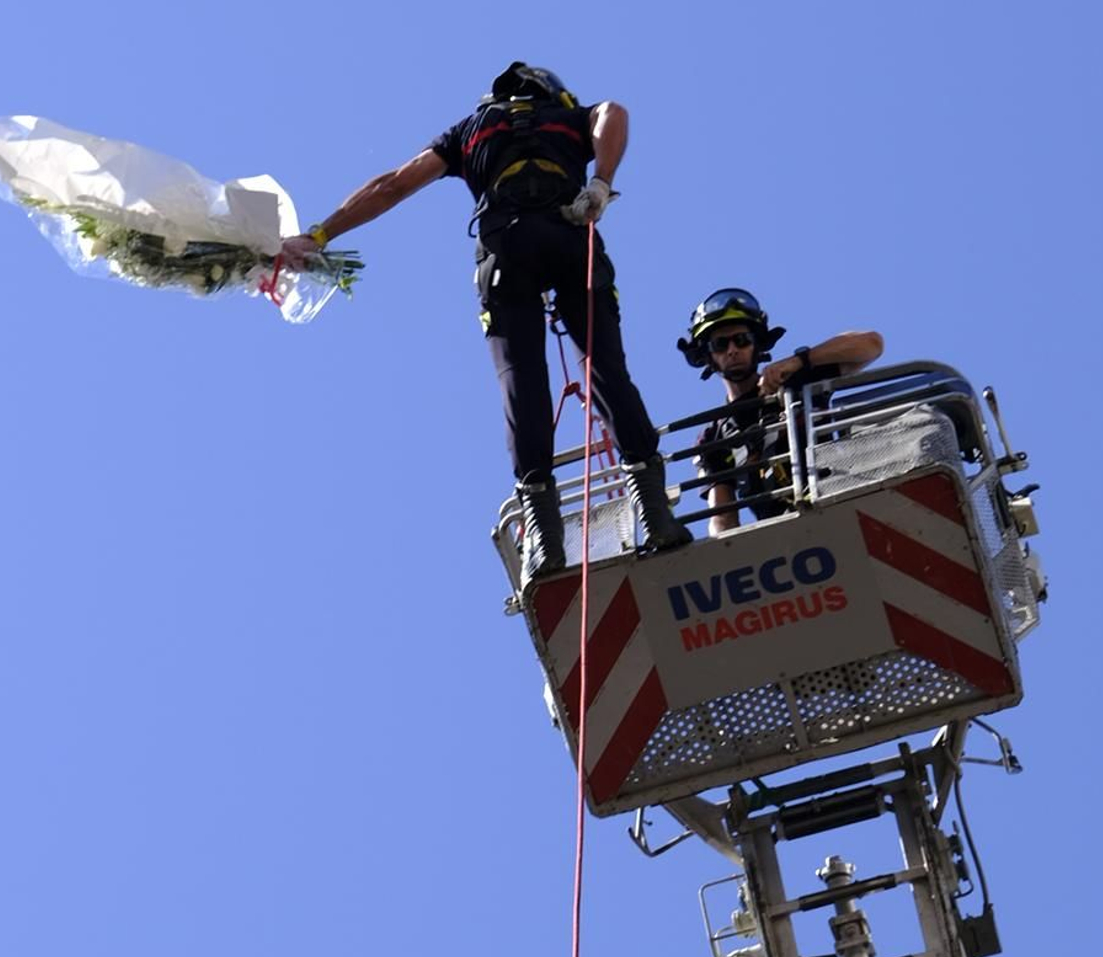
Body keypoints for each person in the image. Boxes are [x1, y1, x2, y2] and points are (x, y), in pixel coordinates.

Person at [280, 63, 692, 582]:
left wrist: (317, 236)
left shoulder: (470, 130)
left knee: (521, 381)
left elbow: (391, 186)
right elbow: (615, 112)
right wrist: (601, 184)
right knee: (604, 368)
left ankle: (544, 538)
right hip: (571, 237)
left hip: (506, 253)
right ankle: (654, 515)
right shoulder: (568, 118)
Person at [678, 288, 884, 534]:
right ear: (708, 356)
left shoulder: (795, 379)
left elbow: (871, 344)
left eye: (742, 340)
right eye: (720, 344)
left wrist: (800, 362)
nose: (732, 350)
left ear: (756, 345)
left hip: (838, 503)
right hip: (783, 535)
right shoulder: (713, 438)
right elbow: (722, 520)